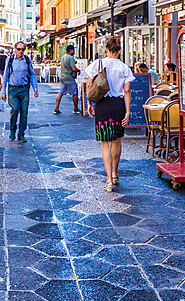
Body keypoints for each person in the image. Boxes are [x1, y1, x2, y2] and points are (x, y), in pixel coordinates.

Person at [87, 37, 133, 192]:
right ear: (119, 51)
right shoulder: (124, 68)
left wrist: (89, 104)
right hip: (118, 106)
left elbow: (89, 84)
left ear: (106, 49)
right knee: (117, 141)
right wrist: (127, 111)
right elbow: (126, 91)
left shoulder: (97, 64)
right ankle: (114, 173)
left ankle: (108, 181)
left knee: (106, 143)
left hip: (103, 105)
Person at [0, 41, 40, 142]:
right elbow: (5, 76)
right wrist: (3, 91)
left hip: (24, 89)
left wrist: (35, 88)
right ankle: (12, 131)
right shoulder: (10, 60)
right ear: (15, 49)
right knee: (15, 109)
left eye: (22, 49)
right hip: (12, 89)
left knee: (24, 112)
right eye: (19, 49)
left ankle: (21, 134)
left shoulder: (27, 60)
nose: (21, 51)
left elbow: (32, 74)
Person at [54, 44, 80, 115]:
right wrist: (79, 70)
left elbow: (67, 64)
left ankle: (56, 108)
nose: (74, 51)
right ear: (71, 50)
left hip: (62, 78)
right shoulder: (71, 58)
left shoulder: (63, 57)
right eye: (73, 50)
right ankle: (75, 108)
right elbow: (73, 68)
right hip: (69, 78)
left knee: (60, 93)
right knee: (75, 92)